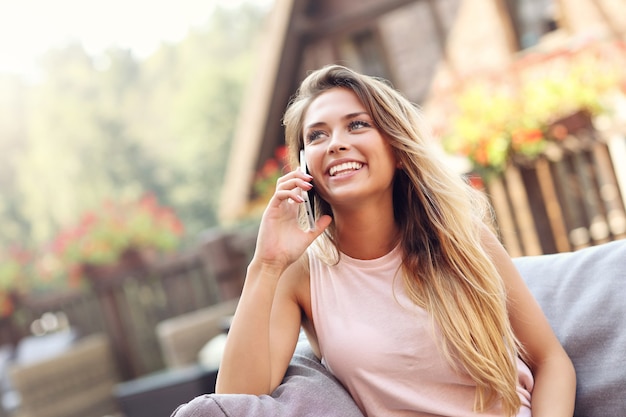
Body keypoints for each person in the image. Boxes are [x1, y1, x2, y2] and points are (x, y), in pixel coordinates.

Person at [215, 65, 576, 417]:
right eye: (316, 135)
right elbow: (233, 402)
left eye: (357, 125)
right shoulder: (302, 275)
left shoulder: (463, 237)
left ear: (397, 150)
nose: (336, 144)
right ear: (304, 165)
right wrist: (265, 264)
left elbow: (550, 362)